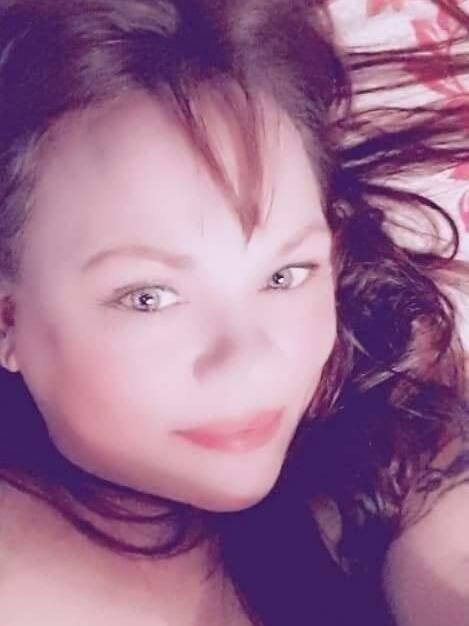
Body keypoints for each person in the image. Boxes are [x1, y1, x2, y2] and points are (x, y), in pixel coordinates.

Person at [0, 0, 467, 624]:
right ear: (8, 318)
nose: (248, 362)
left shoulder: (385, 432)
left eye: (284, 275)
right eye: (148, 297)